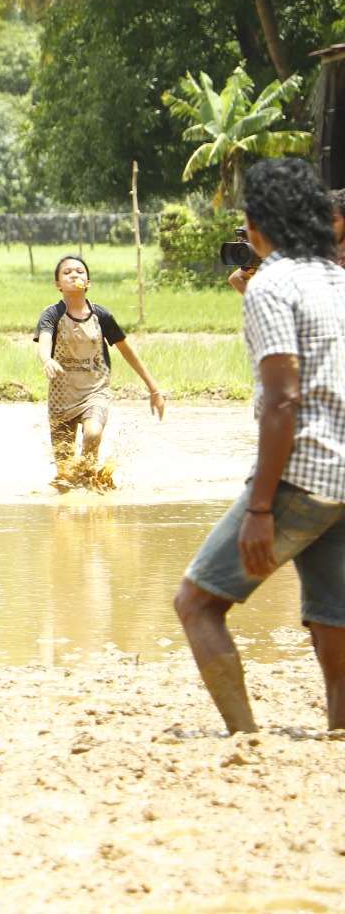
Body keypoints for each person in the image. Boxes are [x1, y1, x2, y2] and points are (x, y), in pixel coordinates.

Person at [175, 160, 345, 734]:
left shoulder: (270, 284)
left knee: (197, 603)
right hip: (344, 476)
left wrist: (260, 507)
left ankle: (244, 738)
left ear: (257, 221)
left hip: (301, 473)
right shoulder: (336, 278)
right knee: (333, 619)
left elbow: (282, 401)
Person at [35, 255, 166, 478]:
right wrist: (47, 359)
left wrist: (154, 389)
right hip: (61, 398)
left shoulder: (101, 316)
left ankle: (90, 480)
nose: (74, 275)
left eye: (79, 271)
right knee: (65, 475)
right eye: (66, 273)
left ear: (88, 282)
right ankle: (76, 493)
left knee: (93, 433)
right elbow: (45, 340)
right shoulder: (52, 314)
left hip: (95, 392)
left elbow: (127, 351)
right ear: (58, 285)